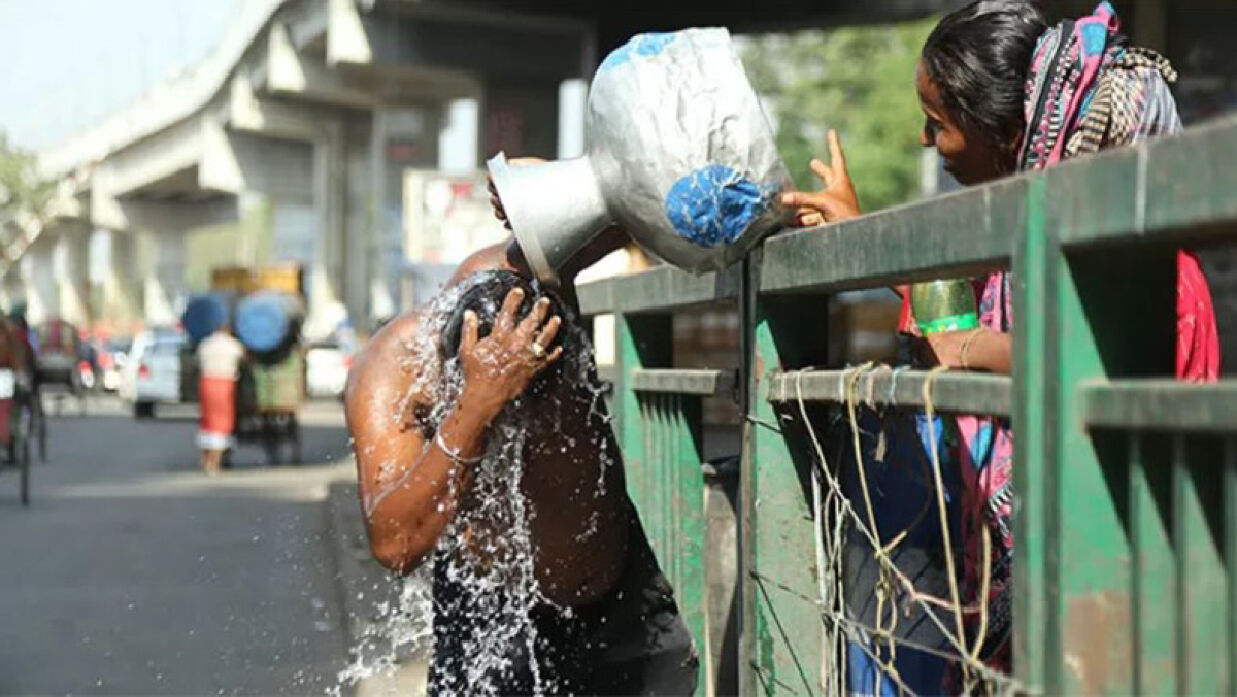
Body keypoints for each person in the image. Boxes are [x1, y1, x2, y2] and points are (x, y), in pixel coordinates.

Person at [782, 0, 1220, 684]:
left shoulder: (1140, 263)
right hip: (1046, 603)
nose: (927, 143)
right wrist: (856, 232)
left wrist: (976, 349)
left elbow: (1071, 361)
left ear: (1005, 132)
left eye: (939, 125)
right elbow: (954, 326)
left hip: (1124, 614)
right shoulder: (1020, 257)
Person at [346, 221, 698, 694]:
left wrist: (795, 214)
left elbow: (643, 205)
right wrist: (477, 408)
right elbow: (395, 544)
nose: (520, 430)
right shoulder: (397, 368)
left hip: (618, 611)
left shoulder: (535, 267)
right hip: (489, 608)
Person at [197, 325, 245, 476]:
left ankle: (206, 459)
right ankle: (214, 461)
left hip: (207, 383)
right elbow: (243, 360)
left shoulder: (205, 344)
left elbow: (197, 362)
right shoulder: (233, 345)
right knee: (222, 423)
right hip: (225, 384)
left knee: (208, 421)